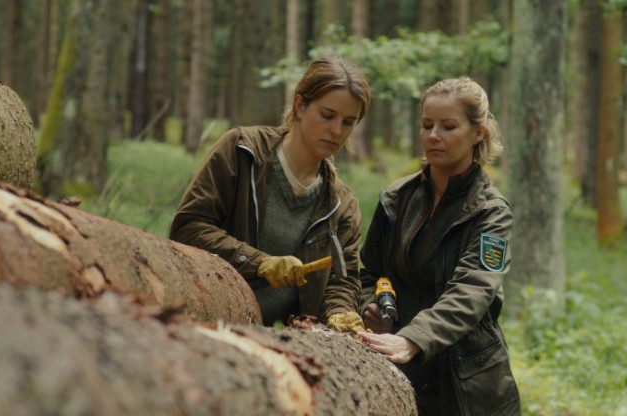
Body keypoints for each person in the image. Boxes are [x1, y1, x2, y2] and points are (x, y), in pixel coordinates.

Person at [358, 77, 521, 415]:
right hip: (398, 368)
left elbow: (473, 291)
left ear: (477, 133)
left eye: (448, 126)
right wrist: (371, 306)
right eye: (427, 125)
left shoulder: (490, 211)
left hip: (468, 381)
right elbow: (370, 272)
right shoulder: (395, 199)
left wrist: (414, 338)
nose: (433, 135)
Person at [170, 57, 369, 332]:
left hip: (280, 340)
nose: (336, 130)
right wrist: (259, 263)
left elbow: (341, 281)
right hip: (205, 319)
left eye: (348, 122)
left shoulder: (342, 204)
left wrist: (340, 313)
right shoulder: (242, 151)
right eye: (327, 115)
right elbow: (188, 227)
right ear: (299, 105)